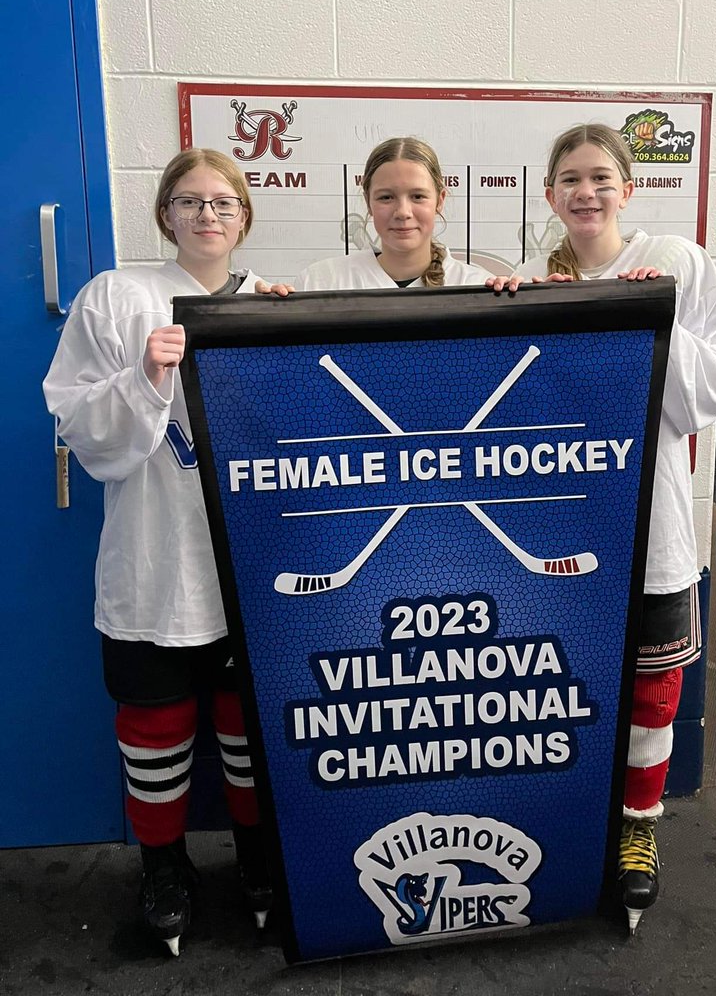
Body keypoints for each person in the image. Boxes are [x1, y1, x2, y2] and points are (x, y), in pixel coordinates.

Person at [501, 122, 716, 932]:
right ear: (549, 195)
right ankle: (571, 821)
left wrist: (650, 316)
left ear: (629, 187)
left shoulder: (677, 262)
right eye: (570, 178)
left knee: (651, 687)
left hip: (651, 522)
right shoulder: (538, 277)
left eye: (602, 176)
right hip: (562, 526)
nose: (586, 191)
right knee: (562, 682)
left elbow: (706, 394)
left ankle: (639, 828)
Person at [43, 149, 286, 957]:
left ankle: (259, 860)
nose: (208, 215)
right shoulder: (115, 297)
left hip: (250, 569)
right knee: (154, 729)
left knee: (251, 730)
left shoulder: (275, 304)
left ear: (245, 217)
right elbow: (75, 418)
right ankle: (165, 867)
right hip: (153, 564)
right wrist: (145, 376)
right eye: (190, 201)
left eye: (223, 202)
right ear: (165, 214)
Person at [291, 136, 493, 291]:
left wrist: (517, 300)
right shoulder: (319, 283)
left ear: (439, 201)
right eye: (386, 197)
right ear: (368, 202)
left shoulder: (477, 286)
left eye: (418, 196)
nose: (403, 212)